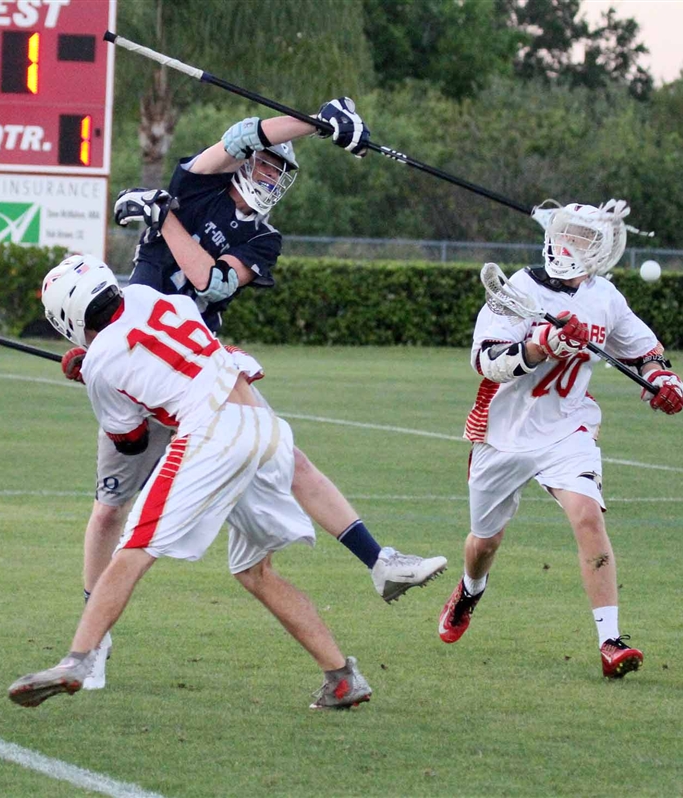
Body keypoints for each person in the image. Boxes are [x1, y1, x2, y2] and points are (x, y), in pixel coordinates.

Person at [62, 98, 446, 689]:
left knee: (291, 461)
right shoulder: (194, 186)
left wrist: (164, 221)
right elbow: (243, 133)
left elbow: (211, 281)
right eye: (263, 163)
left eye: (279, 170)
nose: (268, 175)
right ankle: (96, 636)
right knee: (111, 509)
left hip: (201, 370)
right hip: (134, 361)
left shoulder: (264, 240)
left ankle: (381, 561)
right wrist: (316, 122)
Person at [9, 257, 372, 710]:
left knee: (134, 547)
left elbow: (132, 443)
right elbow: (155, 351)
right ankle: (341, 677)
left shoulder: (101, 364)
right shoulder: (147, 295)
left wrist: (95, 376)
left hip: (212, 433)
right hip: (261, 424)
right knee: (254, 571)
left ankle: (78, 660)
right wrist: (97, 368)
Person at [437, 200, 683, 678]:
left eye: (584, 237)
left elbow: (645, 352)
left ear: (600, 249)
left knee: (587, 516)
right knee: (484, 544)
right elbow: (486, 361)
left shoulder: (605, 298)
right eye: (567, 233)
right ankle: (470, 589)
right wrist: (540, 346)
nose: (571, 243)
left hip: (566, 428)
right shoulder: (517, 288)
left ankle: (610, 641)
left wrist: (663, 379)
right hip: (502, 434)